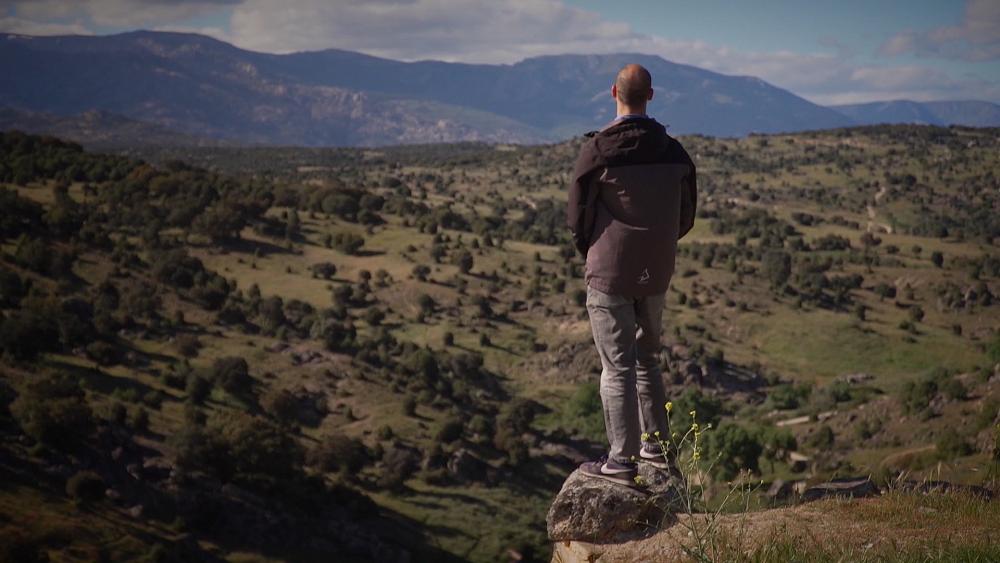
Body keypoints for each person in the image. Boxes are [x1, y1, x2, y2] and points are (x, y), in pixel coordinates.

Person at [566, 63, 697, 486]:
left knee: (616, 366)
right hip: (656, 271)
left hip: (610, 273)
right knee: (649, 360)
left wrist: (594, 251)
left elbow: (577, 218)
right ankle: (656, 451)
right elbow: (685, 215)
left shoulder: (599, 152)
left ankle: (620, 462)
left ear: (613, 93)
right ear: (651, 96)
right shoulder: (675, 152)